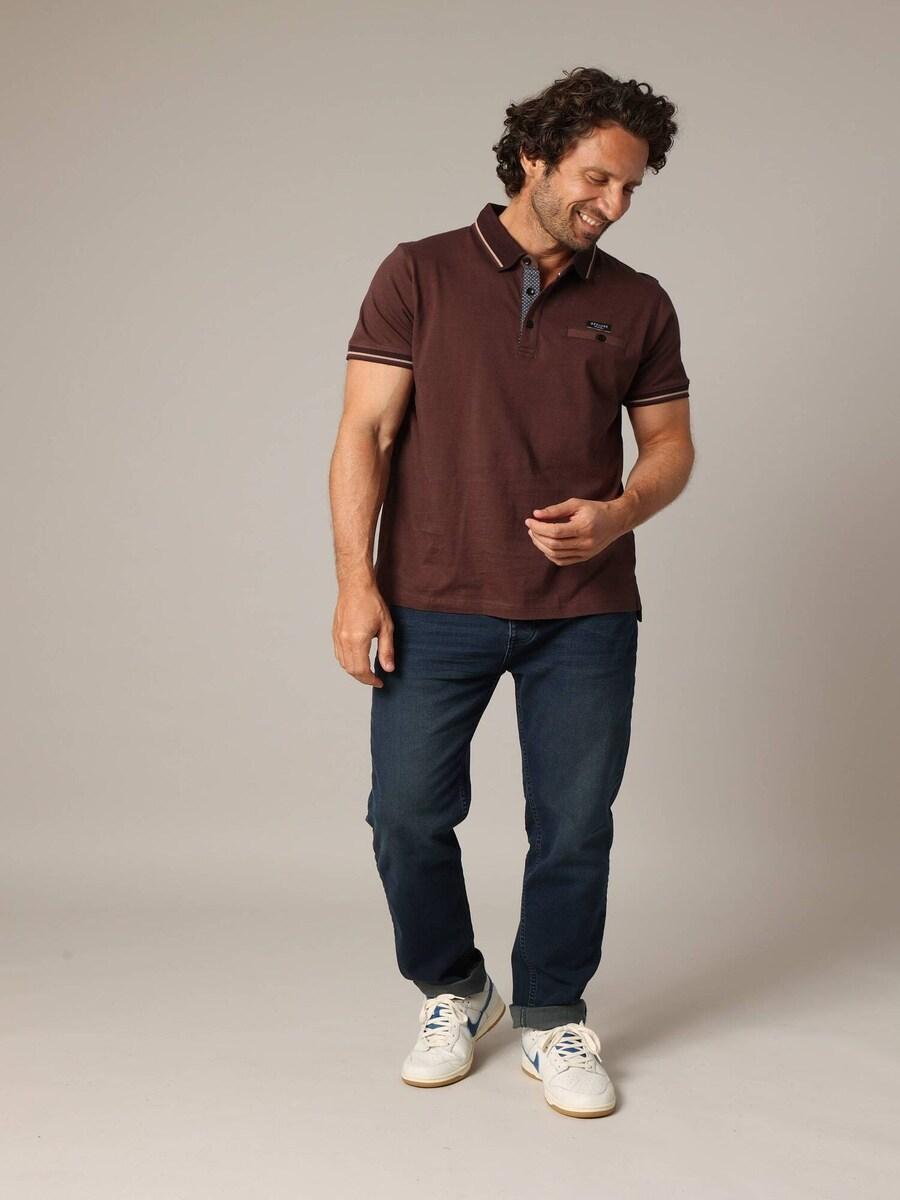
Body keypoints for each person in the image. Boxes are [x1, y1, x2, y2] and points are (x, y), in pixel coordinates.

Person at [328, 66, 694, 1119]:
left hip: (585, 612)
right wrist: (356, 585)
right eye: (596, 178)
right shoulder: (420, 272)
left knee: (575, 823)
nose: (613, 204)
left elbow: (670, 445)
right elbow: (366, 432)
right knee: (405, 815)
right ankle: (456, 990)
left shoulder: (637, 300)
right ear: (533, 157)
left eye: (630, 188)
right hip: (433, 597)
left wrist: (617, 515)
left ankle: (552, 1013)